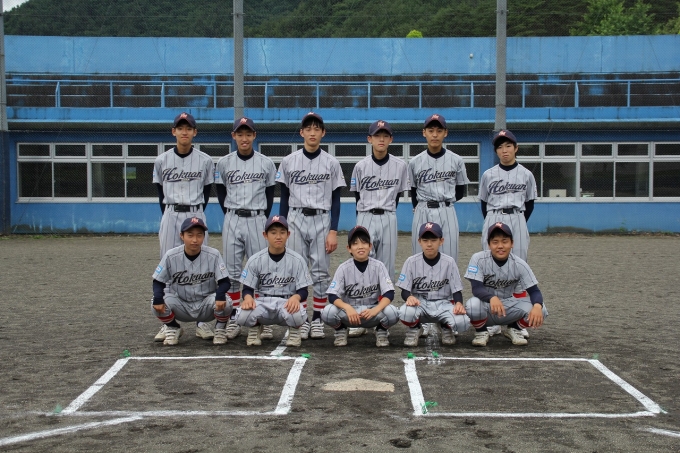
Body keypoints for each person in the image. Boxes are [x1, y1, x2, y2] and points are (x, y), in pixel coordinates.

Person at [276, 112, 346, 340]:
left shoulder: (332, 163)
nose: (312, 132)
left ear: (323, 133)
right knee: (296, 270)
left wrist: (333, 230)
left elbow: (336, 199)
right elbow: (284, 197)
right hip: (295, 218)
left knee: (320, 272)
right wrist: (282, 227)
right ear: (302, 132)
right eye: (308, 128)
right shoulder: (289, 161)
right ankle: (300, 319)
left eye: (317, 128)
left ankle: (316, 319)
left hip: (321, 219)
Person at [152, 112, 216, 343]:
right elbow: (160, 193)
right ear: (174, 132)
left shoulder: (205, 160)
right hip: (171, 213)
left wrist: (195, 213)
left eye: (188, 128)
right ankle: (169, 323)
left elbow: (207, 192)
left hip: (195, 211)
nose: (184, 132)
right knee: (168, 264)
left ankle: (202, 321)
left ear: (194, 132)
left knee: (203, 263)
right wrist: (171, 214)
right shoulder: (161, 160)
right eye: (180, 128)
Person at [215, 117, 277, 341]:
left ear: (254, 136)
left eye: (248, 134)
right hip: (233, 217)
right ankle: (234, 317)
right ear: (233, 136)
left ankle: (263, 319)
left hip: (257, 218)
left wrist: (261, 217)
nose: (244, 138)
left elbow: (270, 195)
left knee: (260, 272)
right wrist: (231, 213)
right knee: (232, 272)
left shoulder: (266, 163)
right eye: (240, 134)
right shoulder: (223, 163)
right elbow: (220, 192)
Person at [408, 113, 469, 338]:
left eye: (439, 130)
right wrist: (421, 207)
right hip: (423, 208)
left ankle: (446, 317)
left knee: (449, 260)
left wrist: (444, 202)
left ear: (445, 133)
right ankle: (421, 317)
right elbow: (412, 191)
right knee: (419, 261)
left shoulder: (456, 160)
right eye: (431, 130)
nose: (435, 134)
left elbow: (461, 190)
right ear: (424, 133)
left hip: (446, 209)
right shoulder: (415, 162)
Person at [348, 120, 409, 339]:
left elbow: (399, 195)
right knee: (362, 266)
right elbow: (357, 196)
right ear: (369, 139)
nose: (381, 139)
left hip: (389, 216)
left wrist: (387, 212)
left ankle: (381, 320)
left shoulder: (400, 165)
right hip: (365, 215)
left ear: (391, 139)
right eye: (377, 135)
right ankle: (362, 318)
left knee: (386, 267)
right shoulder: (360, 166)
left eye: (385, 135)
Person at [464, 222, 548, 347]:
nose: (500, 246)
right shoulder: (478, 258)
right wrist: (491, 298)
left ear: (512, 243)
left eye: (505, 241)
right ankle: (481, 331)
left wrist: (537, 305)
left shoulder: (519, 264)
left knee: (542, 308)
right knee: (472, 305)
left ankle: (515, 328)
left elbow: (534, 291)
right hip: (486, 307)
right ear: (489, 244)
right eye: (495, 242)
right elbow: (476, 288)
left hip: (509, 306)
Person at [151, 217, 232, 346]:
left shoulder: (214, 254)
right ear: (181, 236)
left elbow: (225, 281)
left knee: (227, 301)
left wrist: (220, 295)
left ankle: (220, 329)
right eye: (190, 235)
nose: (195, 240)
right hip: (181, 304)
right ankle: (173, 327)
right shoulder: (171, 255)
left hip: (206, 305)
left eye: (199, 235)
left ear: (204, 237)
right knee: (155, 301)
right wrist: (158, 298)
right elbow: (158, 281)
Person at [236, 215, 313, 347]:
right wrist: (248, 297)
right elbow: (247, 288)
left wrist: (296, 297)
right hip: (263, 304)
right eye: (273, 233)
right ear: (265, 235)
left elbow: (303, 290)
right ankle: (255, 328)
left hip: (287, 304)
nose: (278, 236)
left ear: (288, 235)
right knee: (242, 315)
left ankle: (294, 331)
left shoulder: (298, 260)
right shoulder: (255, 260)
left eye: (282, 232)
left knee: (298, 315)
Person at [322, 226, 399, 347]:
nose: (360, 246)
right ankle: (341, 330)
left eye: (364, 242)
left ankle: (381, 330)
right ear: (349, 248)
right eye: (355, 243)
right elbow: (332, 295)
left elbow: (389, 293)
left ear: (370, 246)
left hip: (372, 312)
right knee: (327, 312)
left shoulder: (379, 266)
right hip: (350, 314)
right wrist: (347, 307)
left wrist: (375, 310)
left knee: (393, 312)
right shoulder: (343, 268)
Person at [397, 222, 470, 347]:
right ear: (419, 242)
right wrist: (408, 297)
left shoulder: (449, 262)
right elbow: (404, 290)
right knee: (404, 312)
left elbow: (457, 290)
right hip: (420, 304)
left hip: (443, 304)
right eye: (425, 240)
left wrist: (458, 303)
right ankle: (415, 328)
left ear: (441, 241)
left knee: (462, 322)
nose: (429, 244)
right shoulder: (411, 262)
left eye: (433, 240)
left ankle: (445, 326)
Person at [479, 129, 537, 263]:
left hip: (517, 216)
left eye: (508, 146)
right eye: (500, 147)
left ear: (516, 148)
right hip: (493, 215)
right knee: (489, 258)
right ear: (496, 151)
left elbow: (530, 203)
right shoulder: (488, 175)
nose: (504, 150)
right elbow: (484, 203)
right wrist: (491, 218)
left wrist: (520, 219)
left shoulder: (526, 174)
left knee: (519, 260)